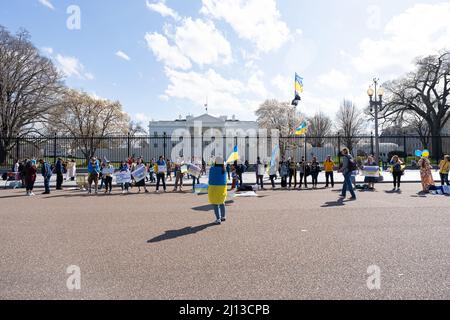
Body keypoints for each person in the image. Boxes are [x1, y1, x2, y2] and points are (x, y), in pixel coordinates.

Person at [208, 156, 228, 225]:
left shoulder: (212, 169)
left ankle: (218, 219)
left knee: (215, 204)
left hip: (214, 187)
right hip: (222, 188)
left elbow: (210, 178)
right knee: (222, 202)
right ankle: (223, 216)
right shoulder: (224, 169)